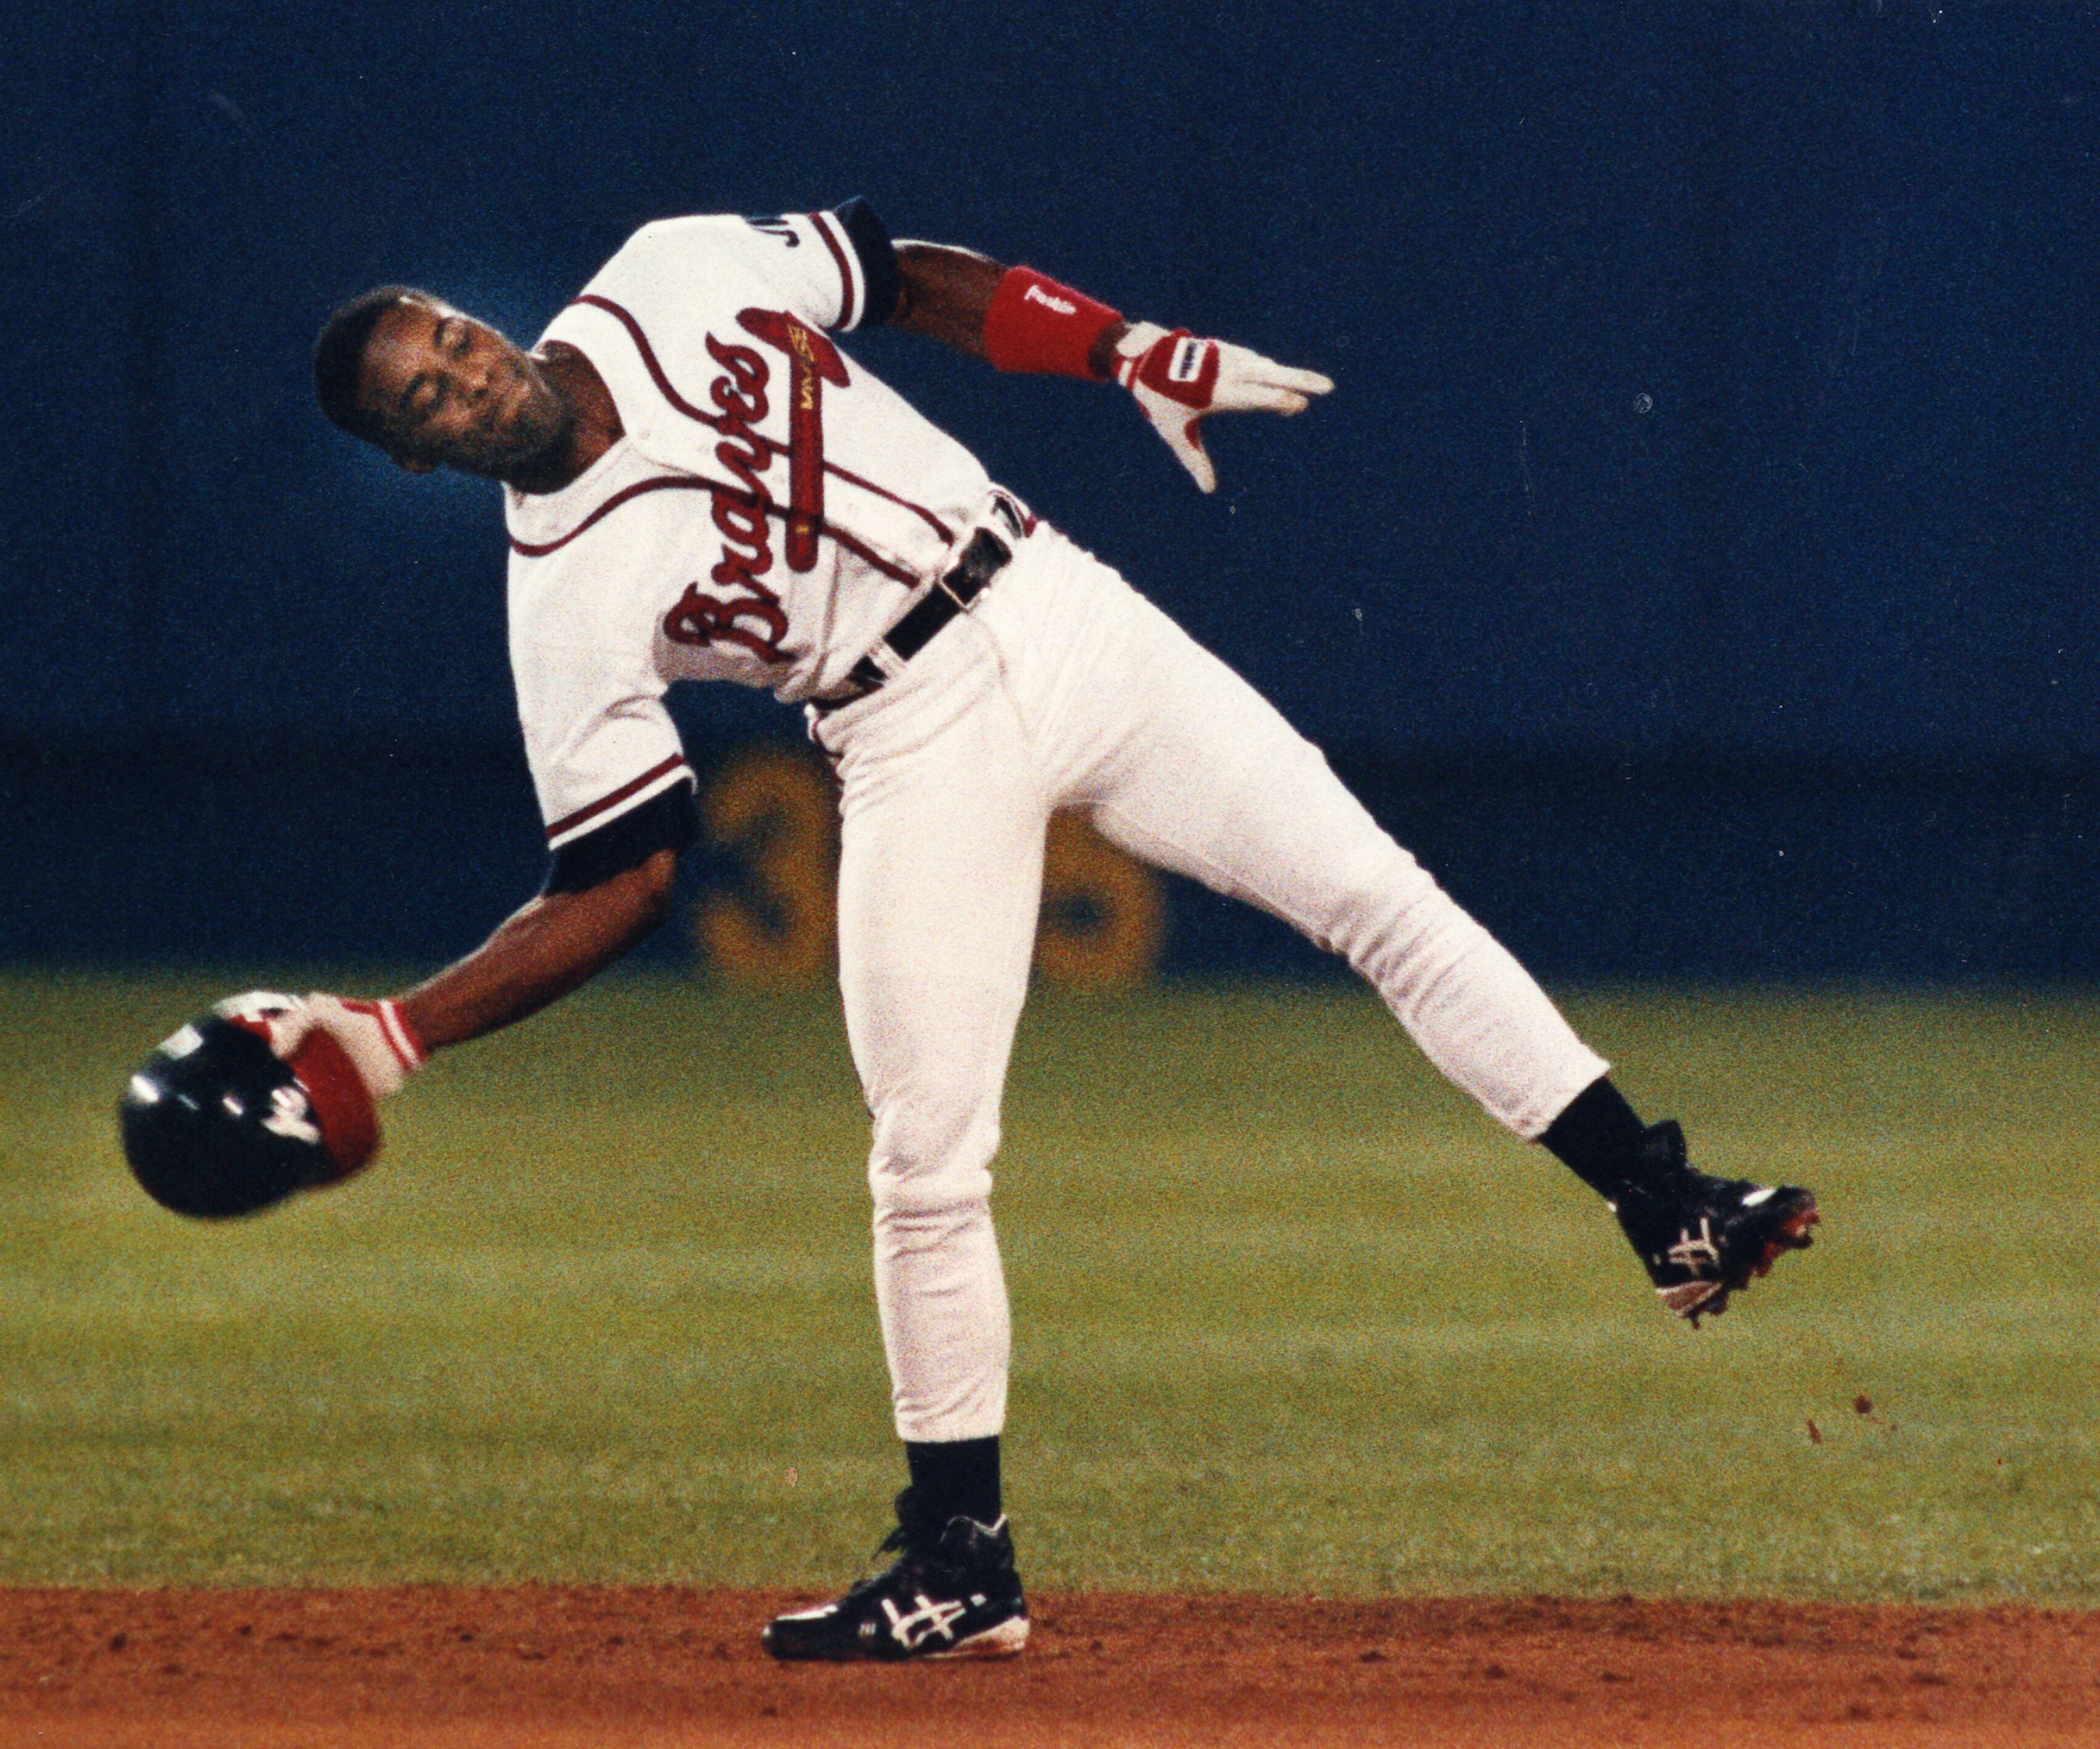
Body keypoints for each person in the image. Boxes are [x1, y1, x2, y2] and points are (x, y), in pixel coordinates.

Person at [292, 199, 1819, 1663]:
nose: (464, 377)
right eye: (423, 398)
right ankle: (961, 1561)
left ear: (478, 318)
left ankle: (1666, 1205)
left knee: (1376, 892)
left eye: (452, 338)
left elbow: (905, 276)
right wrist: (399, 1032)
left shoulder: (666, 273)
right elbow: (618, 877)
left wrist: (1121, 347)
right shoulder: (559, 603)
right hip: (903, 735)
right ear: (417, 459)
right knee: (927, 1155)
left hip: (1058, 603)